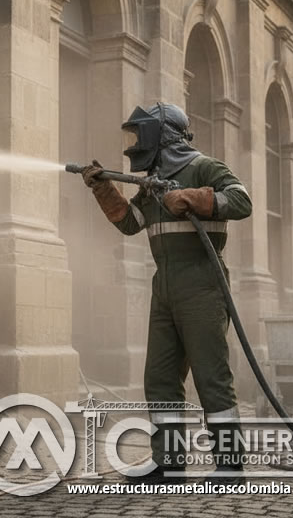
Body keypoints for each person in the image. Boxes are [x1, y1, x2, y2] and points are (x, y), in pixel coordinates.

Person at [82, 102, 252, 484]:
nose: (135, 144)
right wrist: (103, 189)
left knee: (211, 377)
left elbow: (242, 201)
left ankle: (229, 465)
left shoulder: (205, 167)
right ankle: (168, 462)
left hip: (202, 284)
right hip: (165, 288)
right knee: (159, 378)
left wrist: (194, 197)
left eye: (140, 135)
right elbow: (130, 223)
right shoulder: (152, 183)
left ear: (164, 134)